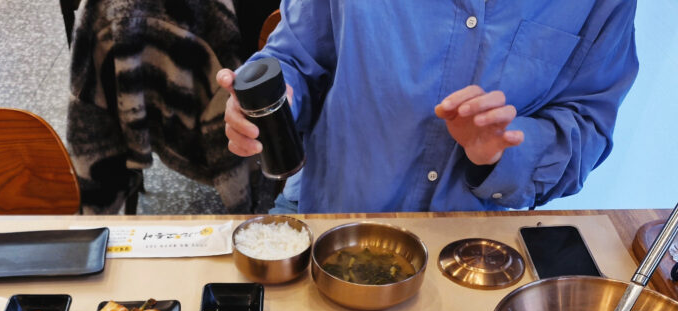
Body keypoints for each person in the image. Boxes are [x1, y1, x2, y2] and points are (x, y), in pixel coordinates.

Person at [217, 2, 638, 213]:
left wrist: (500, 153)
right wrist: (270, 101)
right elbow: (295, 55)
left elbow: (589, 122)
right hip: (333, 218)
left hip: (475, 262)